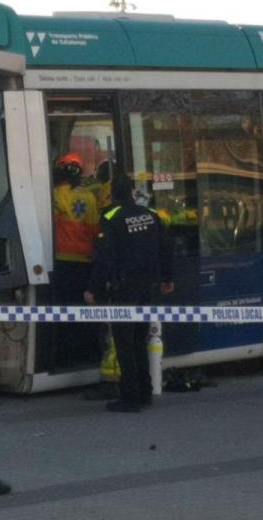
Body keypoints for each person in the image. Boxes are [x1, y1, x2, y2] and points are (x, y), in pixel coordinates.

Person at [84, 176, 174, 413]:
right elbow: (166, 248)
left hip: (124, 289)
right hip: (148, 288)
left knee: (124, 344)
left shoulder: (111, 218)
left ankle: (130, 398)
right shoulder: (150, 214)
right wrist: (167, 278)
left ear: (113, 195)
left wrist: (93, 289)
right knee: (139, 340)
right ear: (133, 192)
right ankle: (145, 392)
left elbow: (104, 258)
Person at [51, 152, 101, 366]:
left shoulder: (55, 195)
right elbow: (96, 230)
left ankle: (65, 356)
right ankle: (87, 354)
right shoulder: (89, 197)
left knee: (63, 312)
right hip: (86, 262)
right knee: (84, 312)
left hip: (62, 261)